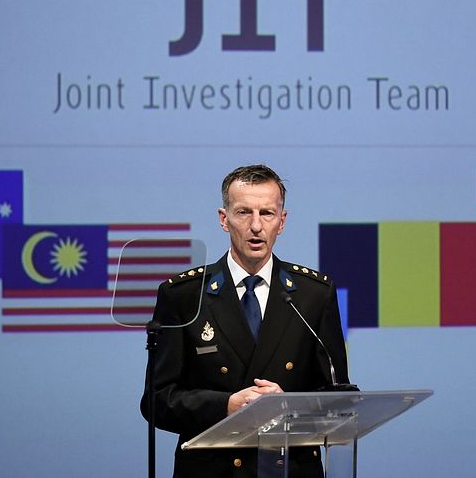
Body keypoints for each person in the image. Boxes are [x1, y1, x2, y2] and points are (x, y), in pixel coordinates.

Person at [141, 164, 351, 477]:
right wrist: (226, 405)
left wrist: (287, 406)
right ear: (224, 219)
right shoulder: (184, 295)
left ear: (282, 221)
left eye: (267, 213)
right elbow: (157, 401)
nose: (256, 226)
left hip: (288, 468)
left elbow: (338, 400)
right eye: (243, 212)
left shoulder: (313, 294)